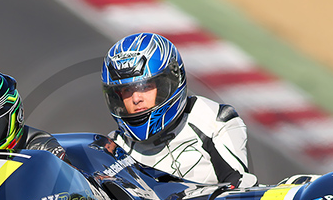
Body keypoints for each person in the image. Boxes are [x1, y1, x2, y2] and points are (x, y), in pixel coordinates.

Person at [102, 32, 257, 187]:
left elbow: (240, 188)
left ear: (167, 84)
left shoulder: (213, 120)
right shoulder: (113, 149)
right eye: (126, 91)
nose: (136, 99)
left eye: (145, 87)